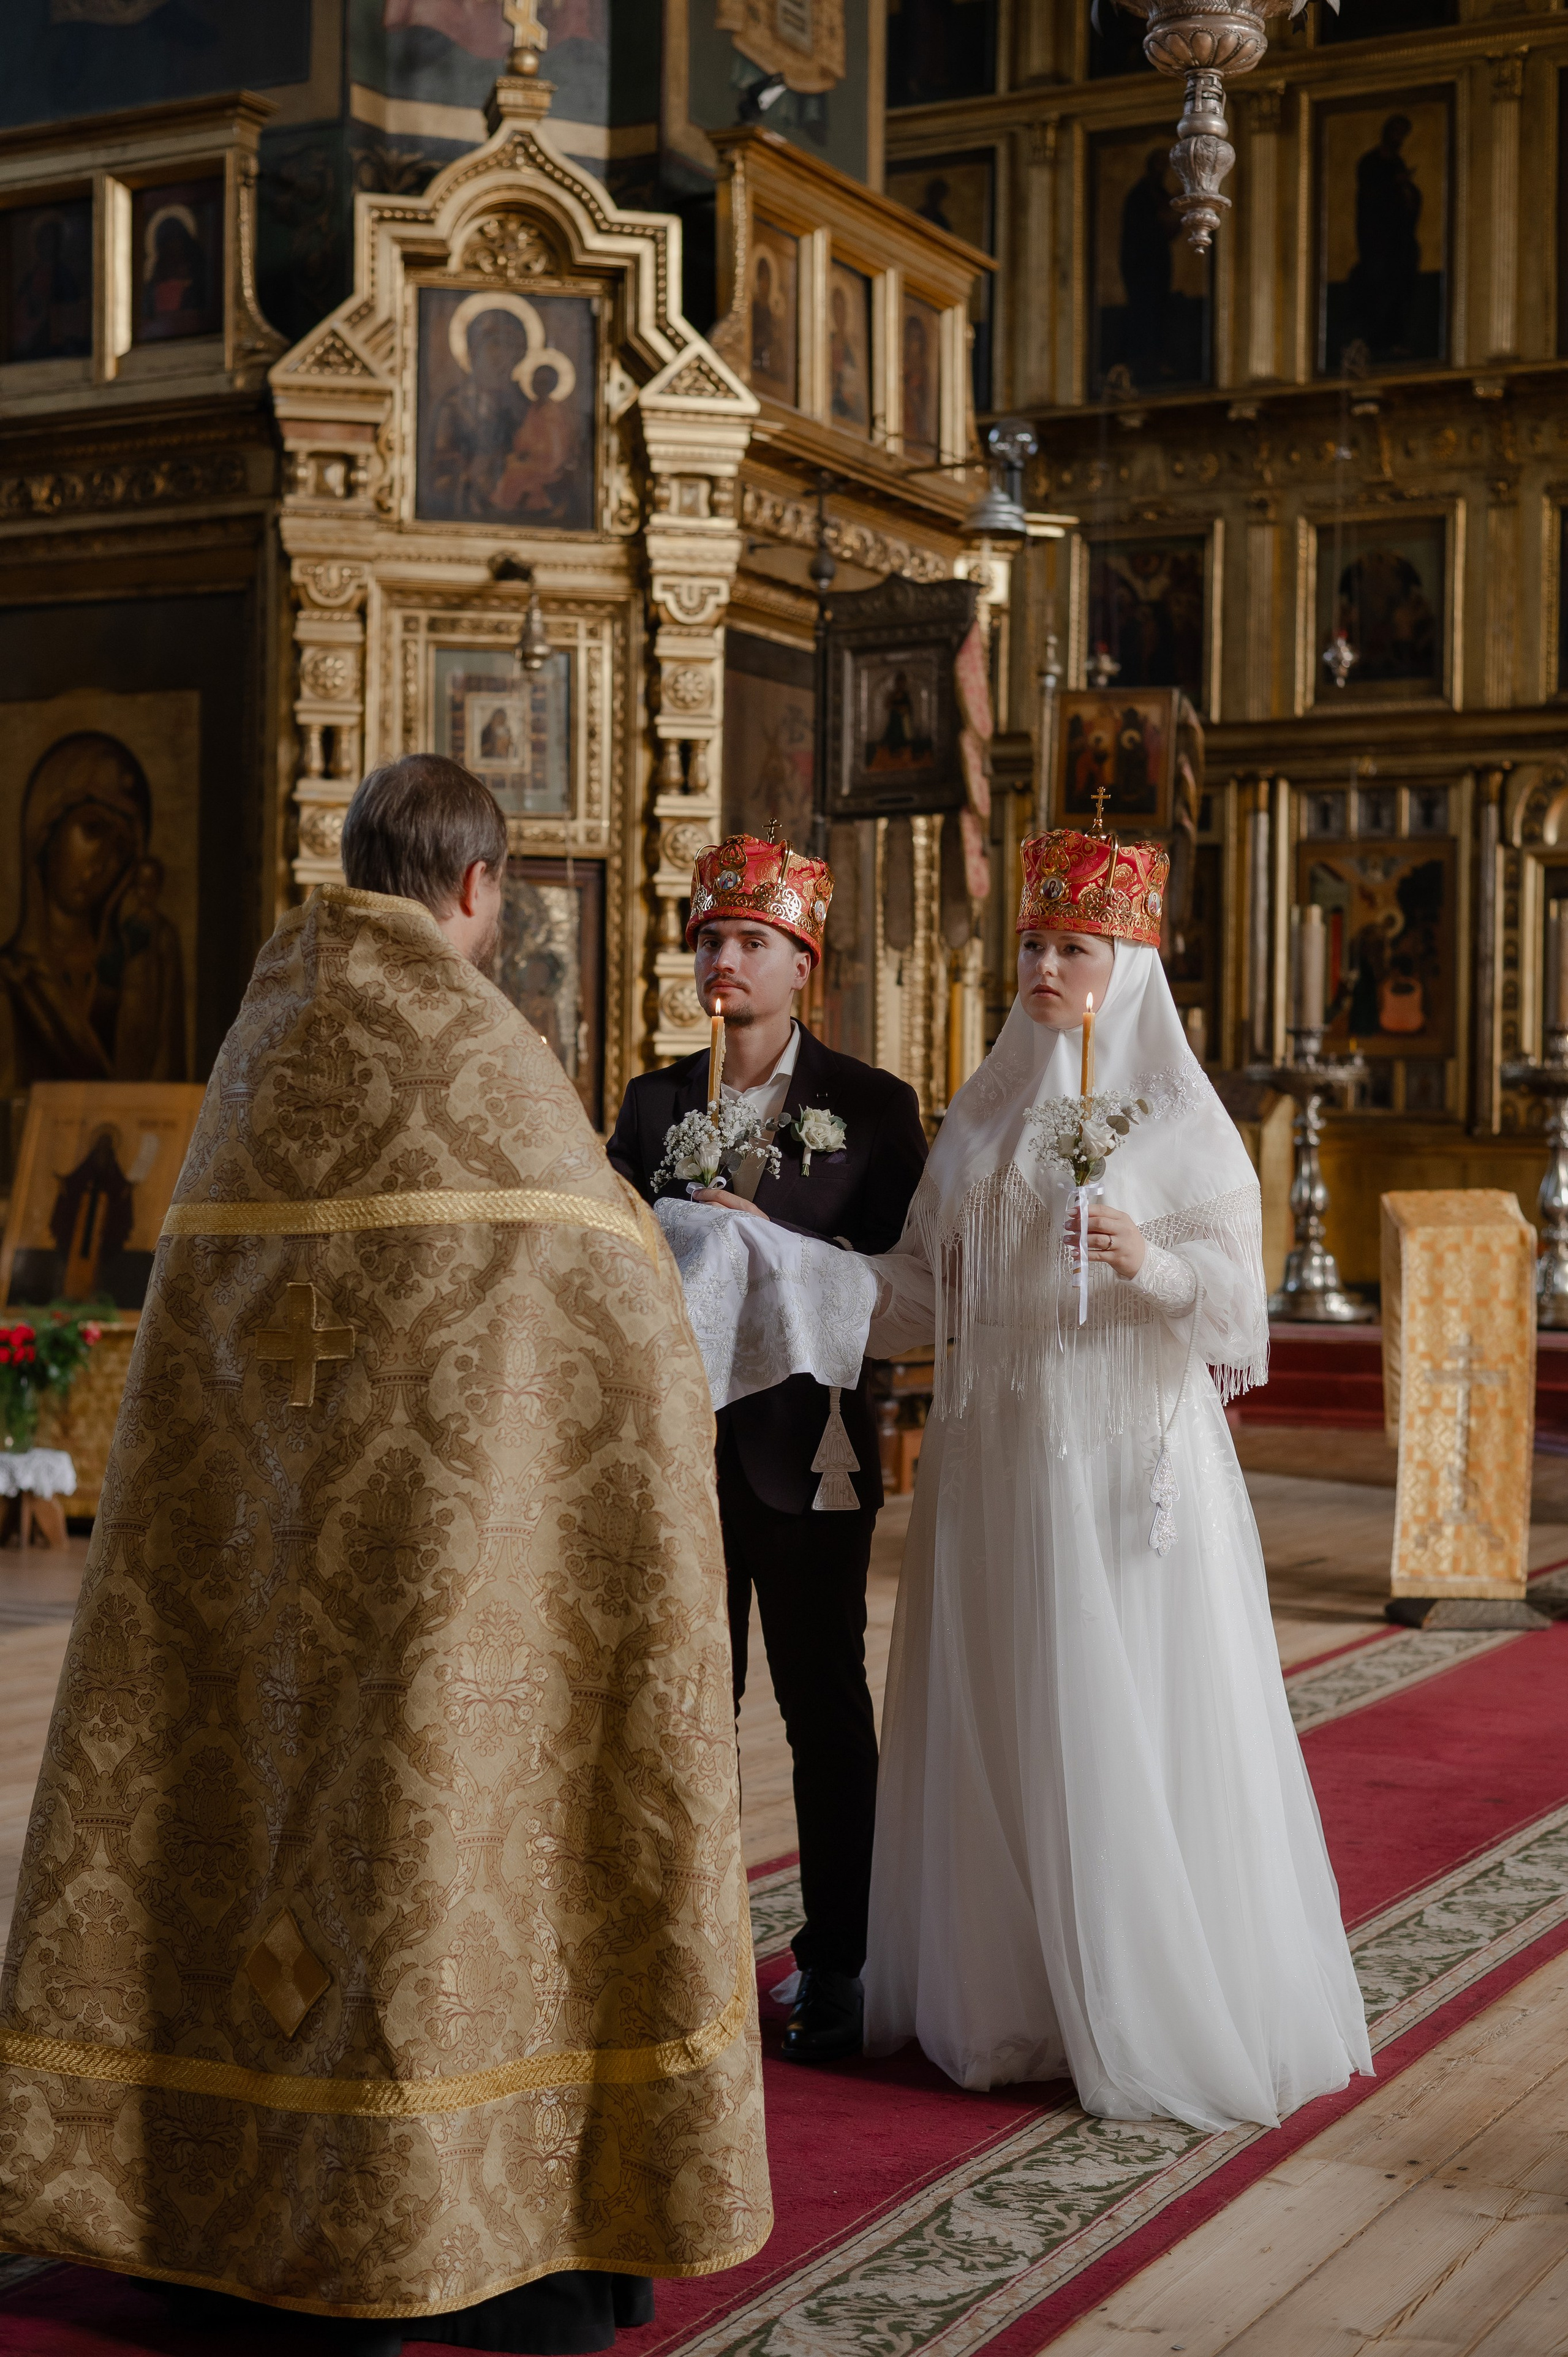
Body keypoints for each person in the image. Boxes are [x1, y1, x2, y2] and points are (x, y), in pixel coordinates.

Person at [0, 753, 769, 2353]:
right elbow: (621, 1323)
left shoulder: (256, 1064)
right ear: (481, 888)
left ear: (356, 869)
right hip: (460, 1602)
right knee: (456, 1877)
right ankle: (507, 2242)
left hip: (253, 1589)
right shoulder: (494, 1073)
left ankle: (210, 2215)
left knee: (253, 1859)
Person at [861, 822, 1372, 2128]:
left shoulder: (1179, 1120)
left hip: (1114, 1452)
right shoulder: (983, 1113)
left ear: (1129, 964)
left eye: (1074, 947)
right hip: (993, 1453)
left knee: (1111, 1702)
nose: (1043, 967)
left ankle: (1141, 2000)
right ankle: (1013, 1995)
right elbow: (919, 1287)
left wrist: (1150, 1259)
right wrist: (783, 1271)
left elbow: (1239, 1322)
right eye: (1032, 943)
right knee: (1002, 1698)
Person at [607, 828, 927, 2065]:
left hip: (809, 1457)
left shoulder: (871, 1108)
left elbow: (908, 1291)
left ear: (803, 962)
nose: (722, 962)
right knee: (678, 1712)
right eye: (708, 942)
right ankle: (670, 1961)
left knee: (822, 1710)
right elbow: (608, 1258)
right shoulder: (651, 1103)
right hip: (673, 1460)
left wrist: (777, 1248)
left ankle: (839, 1965)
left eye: (750, 940)